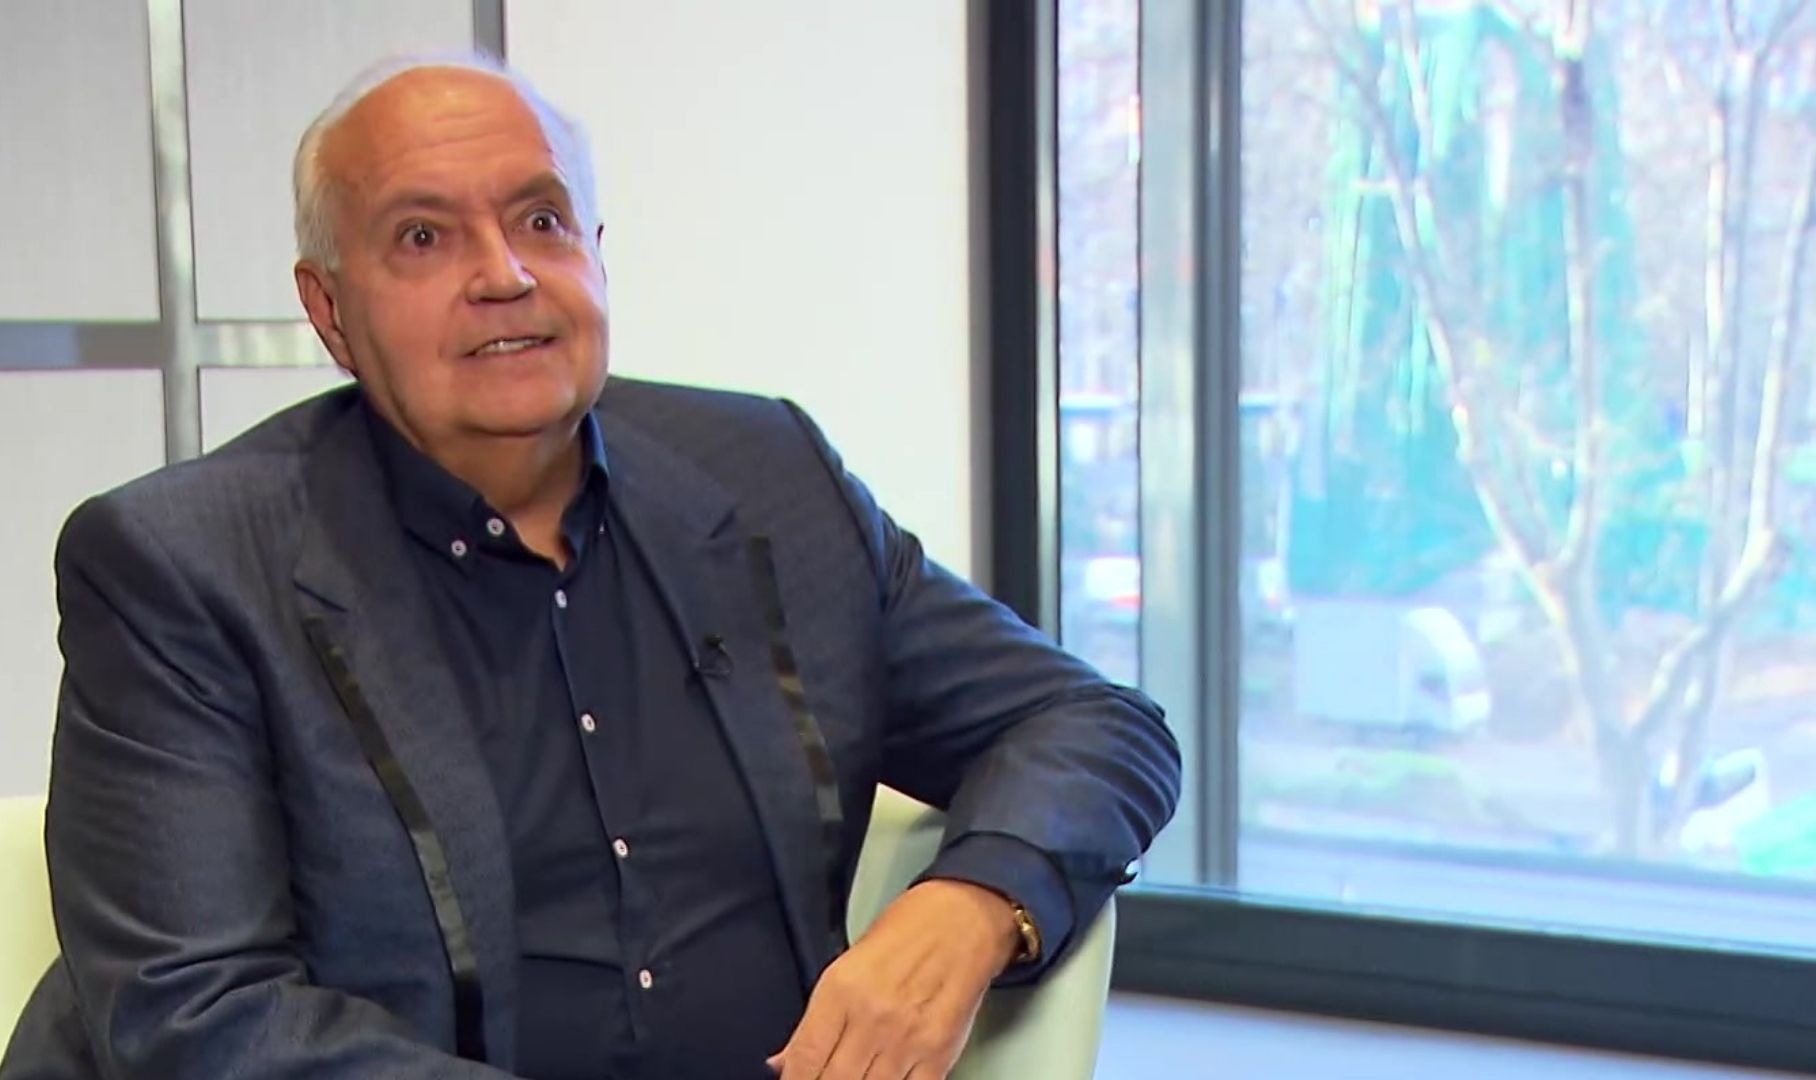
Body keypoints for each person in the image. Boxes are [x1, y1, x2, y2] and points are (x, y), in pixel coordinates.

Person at [0, 51, 1179, 1080]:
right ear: (330, 309)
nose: (504, 274)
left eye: (542, 221)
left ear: (597, 258)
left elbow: (1095, 724)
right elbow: (201, 1019)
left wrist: (973, 903)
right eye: (423, 237)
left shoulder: (770, 479)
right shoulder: (184, 567)